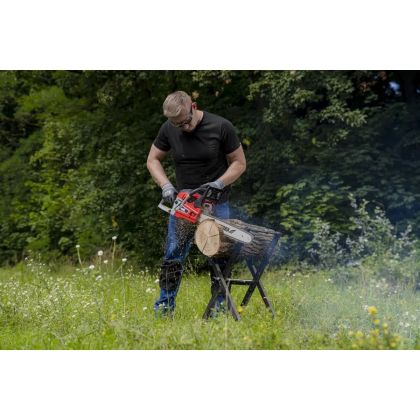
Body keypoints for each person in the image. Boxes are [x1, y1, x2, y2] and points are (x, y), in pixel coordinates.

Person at [146, 91, 246, 316]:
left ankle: (219, 309)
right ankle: (164, 307)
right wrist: (166, 186)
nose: (183, 127)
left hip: (216, 203)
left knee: (220, 257)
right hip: (184, 204)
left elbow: (239, 163)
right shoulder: (168, 128)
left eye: (186, 122)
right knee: (173, 255)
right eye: (177, 124)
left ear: (194, 106)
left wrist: (220, 183)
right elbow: (152, 160)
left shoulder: (221, 126)